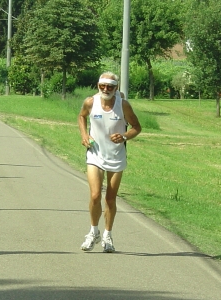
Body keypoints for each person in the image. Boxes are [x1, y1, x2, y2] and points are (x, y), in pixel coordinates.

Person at [77, 71, 141, 253]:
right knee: (95, 195)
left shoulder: (123, 105)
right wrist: (84, 135)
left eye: (110, 87)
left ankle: (107, 235)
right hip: (95, 154)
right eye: (102, 86)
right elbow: (81, 116)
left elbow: (137, 127)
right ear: (98, 86)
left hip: (116, 156)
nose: (106, 89)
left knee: (110, 199)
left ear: (116, 88)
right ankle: (93, 232)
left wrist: (124, 136)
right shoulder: (91, 102)